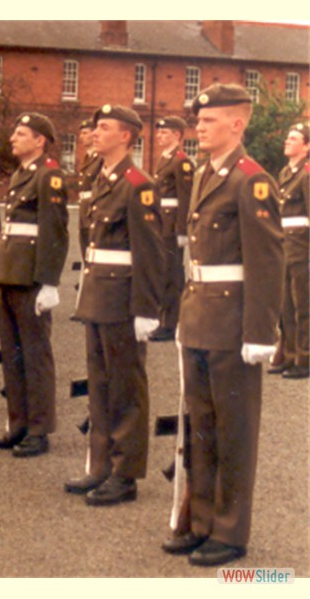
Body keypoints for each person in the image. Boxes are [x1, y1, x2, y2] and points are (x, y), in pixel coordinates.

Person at [162, 83, 284, 567]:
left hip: (234, 321)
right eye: (198, 120)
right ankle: (202, 521)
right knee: (202, 425)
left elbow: (267, 262)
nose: (198, 127)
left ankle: (231, 532)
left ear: (237, 123)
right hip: (201, 314)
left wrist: (260, 332)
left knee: (234, 428)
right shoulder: (206, 175)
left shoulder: (251, 180)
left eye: (208, 120)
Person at [65, 104, 164, 505]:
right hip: (98, 293)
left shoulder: (138, 183)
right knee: (101, 384)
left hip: (123, 296)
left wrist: (146, 308)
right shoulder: (101, 178)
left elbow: (151, 252)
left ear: (125, 136)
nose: (94, 133)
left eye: (103, 127)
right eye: (94, 127)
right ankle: (101, 464)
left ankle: (125, 474)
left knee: (125, 386)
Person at [0, 112, 69, 457]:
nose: (12, 139)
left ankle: (39, 428)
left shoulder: (48, 176)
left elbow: (55, 232)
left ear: (39, 141)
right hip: (9, 273)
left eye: (21, 134)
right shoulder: (22, 174)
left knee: (35, 355)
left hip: (30, 277)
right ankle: (17, 423)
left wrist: (49, 282)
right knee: (13, 354)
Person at [268, 122, 308, 379]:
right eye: (288, 137)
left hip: (303, 249)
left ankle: (304, 358)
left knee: (303, 305)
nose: (287, 141)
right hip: (284, 247)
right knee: (285, 305)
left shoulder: (306, 174)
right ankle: (290, 355)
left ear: (306, 147)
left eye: (293, 138)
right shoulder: (286, 173)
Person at [150, 116, 194, 342]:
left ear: (177, 135)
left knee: (171, 273)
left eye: (164, 133)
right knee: (161, 271)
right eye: (159, 133)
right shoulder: (164, 159)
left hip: (172, 223)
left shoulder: (181, 161)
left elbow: (186, 198)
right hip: (161, 221)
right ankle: (163, 318)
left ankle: (171, 322)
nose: (159, 136)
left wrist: (182, 230)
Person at [76, 119, 102, 259]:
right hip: (84, 207)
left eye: (85, 133)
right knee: (84, 244)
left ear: (94, 134)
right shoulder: (88, 157)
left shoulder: (100, 158)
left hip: (92, 207)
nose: (81, 137)